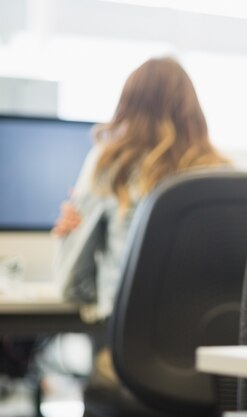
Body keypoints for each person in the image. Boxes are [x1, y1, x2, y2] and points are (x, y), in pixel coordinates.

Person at [51, 56, 229, 389]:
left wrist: (70, 241)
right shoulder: (223, 175)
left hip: (134, 360)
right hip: (212, 369)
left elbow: (71, 285)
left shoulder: (111, 166)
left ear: (127, 107)